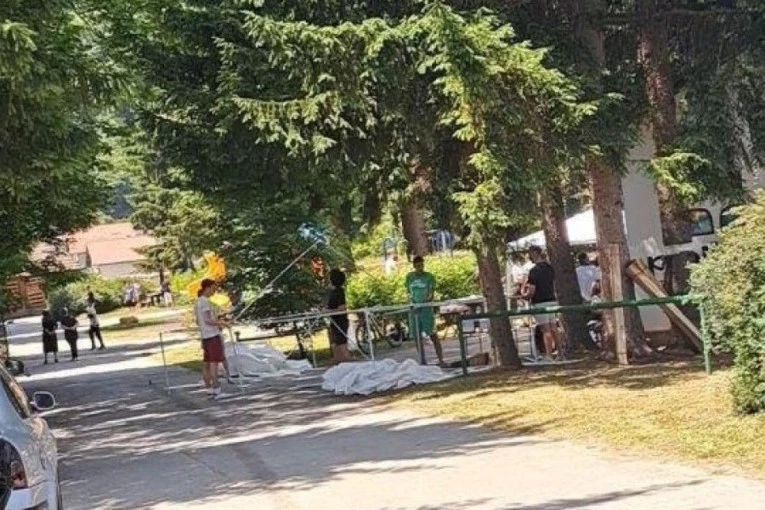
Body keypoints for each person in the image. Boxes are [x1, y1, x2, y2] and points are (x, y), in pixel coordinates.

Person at [405, 256, 445, 366]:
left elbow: (431, 293)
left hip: (426, 310)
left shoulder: (429, 277)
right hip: (414, 311)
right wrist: (411, 303)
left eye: (421, 265)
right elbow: (408, 293)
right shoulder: (409, 277)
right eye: (417, 266)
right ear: (414, 266)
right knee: (417, 337)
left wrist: (423, 303)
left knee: (432, 334)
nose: (420, 268)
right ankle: (423, 361)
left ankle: (441, 359)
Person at [522, 246, 560, 360]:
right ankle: (561, 352)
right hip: (552, 300)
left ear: (534, 254)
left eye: (530, 254)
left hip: (540, 302)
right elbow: (554, 285)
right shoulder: (550, 268)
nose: (529, 257)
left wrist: (525, 296)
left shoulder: (534, 271)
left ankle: (549, 355)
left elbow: (532, 290)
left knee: (545, 329)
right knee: (553, 328)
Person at [194, 279, 226, 399]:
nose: (214, 291)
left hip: (205, 336)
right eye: (213, 288)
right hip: (212, 335)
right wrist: (221, 323)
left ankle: (209, 388)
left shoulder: (197, 302)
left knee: (207, 362)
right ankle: (216, 388)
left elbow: (199, 321)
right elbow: (208, 320)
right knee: (214, 363)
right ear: (207, 288)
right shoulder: (205, 302)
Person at [327, 269, 351, 364]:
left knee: (341, 343)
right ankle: (338, 362)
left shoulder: (339, 292)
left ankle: (348, 361)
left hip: (340, 321)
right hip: (335, 321)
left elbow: (342, 308)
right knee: (335, 343)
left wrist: (328, 311)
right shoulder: (334, 292)